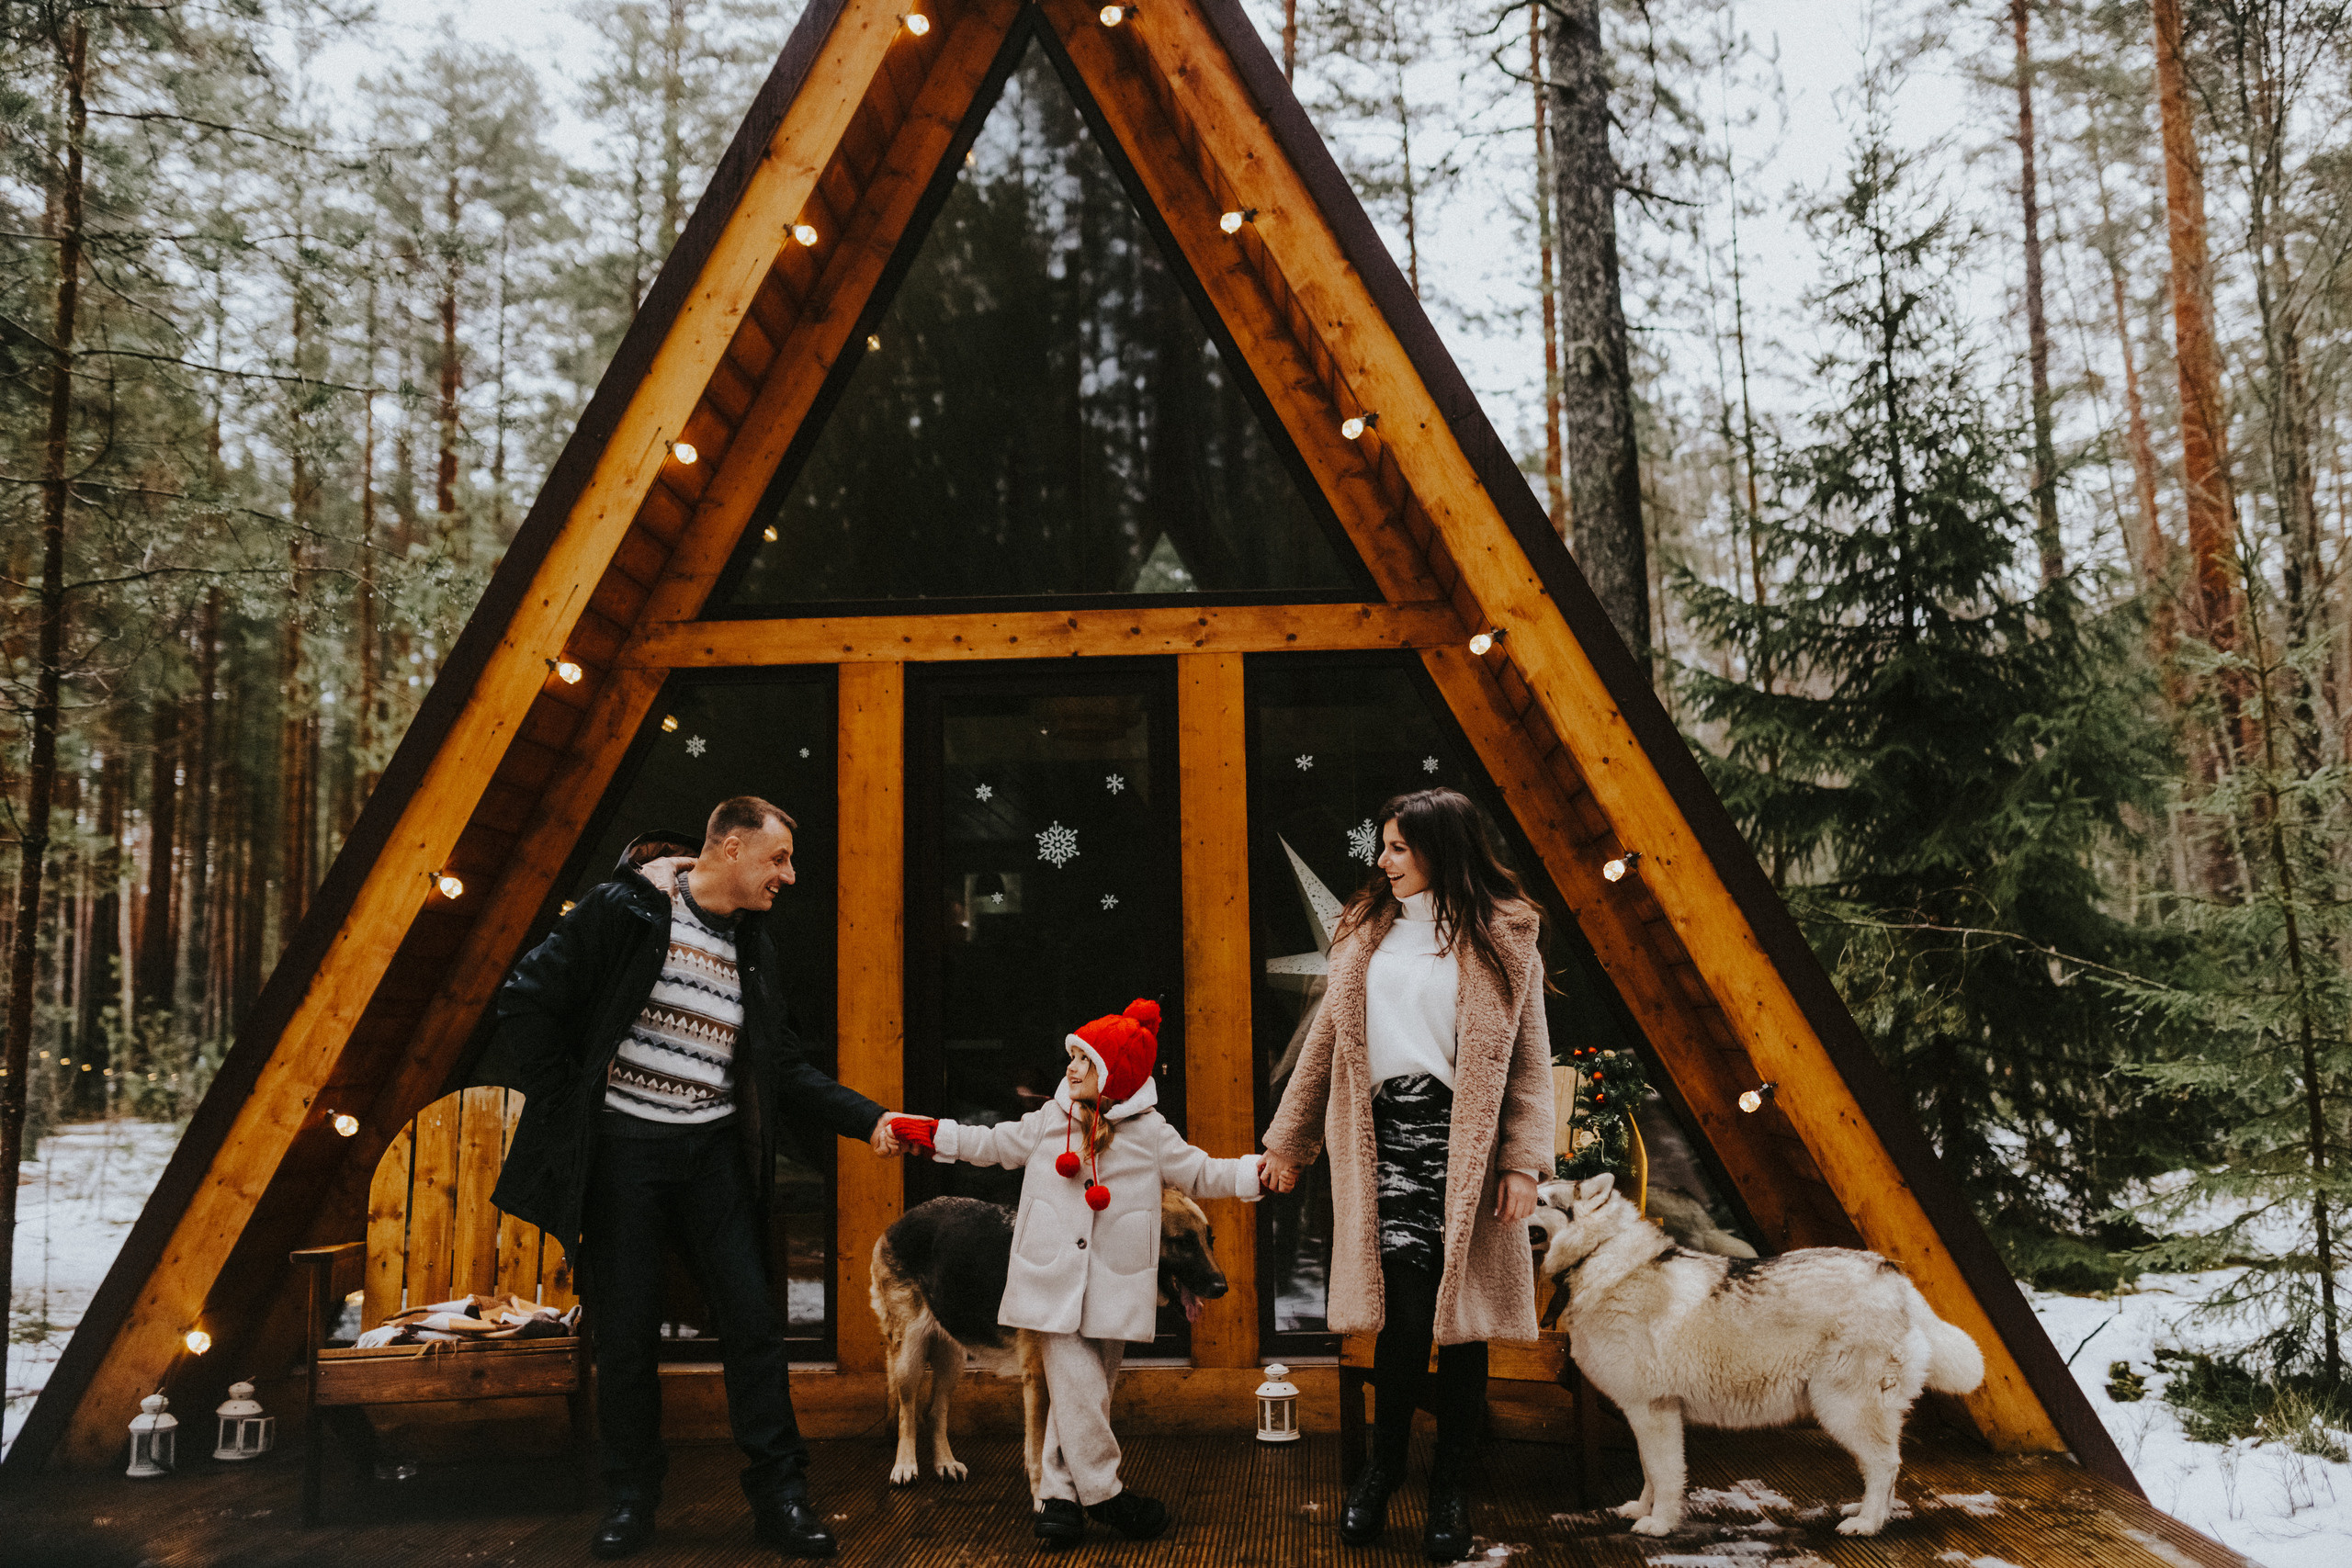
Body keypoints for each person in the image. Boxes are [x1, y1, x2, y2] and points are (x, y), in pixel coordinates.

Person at [482, 798, 910, 1562]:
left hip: (711, 1155)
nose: (789, 875)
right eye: (778, 858)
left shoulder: (754, 947)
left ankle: (781, 1498)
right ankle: (630, 1501)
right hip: (624, 1152)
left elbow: (782, 1066)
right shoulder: (624, 911)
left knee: (752, 1323)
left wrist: (870, 1118)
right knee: (627, 1336)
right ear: (734, 847)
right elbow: (524, 1001)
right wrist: (572, 1099)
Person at [1261, 788, 1555, 1561]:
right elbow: (1323, 1045)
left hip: (1466, 1146)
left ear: (1439, 849)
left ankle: (1448, 1489)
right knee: (1404, 1310)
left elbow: (1529, 1066)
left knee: (1461, 1324)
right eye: (1383, 845)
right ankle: (1384, 1469)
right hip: (1383, 1136)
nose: (1382, 860)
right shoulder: (1362, 934)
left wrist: (1524, 1162)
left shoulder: (1506, 936)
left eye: (1397, 846)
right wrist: (1289, 1143)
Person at [895, 999, 1261, 1549]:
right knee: (1081, 1389)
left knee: (1088, 1393)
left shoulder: (1151, 1134)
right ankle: (1107, 1494)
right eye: (1071, 1056)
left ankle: (1059, 1503)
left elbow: (1204, 1172)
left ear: (1115, 1076)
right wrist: (929, 1134)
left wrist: (1261, 1171)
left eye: (1084, 1061)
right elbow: (992, 1144)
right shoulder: (1050, 1121)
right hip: (1051, 1284)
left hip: (1117, 1288)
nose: (1069, 1069)